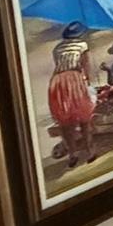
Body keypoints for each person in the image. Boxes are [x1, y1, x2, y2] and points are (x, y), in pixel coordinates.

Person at [47, 22, 96, 167]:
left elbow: (59, 65)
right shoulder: (82, 45)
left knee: (65, 120)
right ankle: (89, 151)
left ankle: (72, 154)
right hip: (74, 79)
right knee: (83, 117)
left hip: (57, 82)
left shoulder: (57, 48)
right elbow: (85, 66)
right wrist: (87, 83)